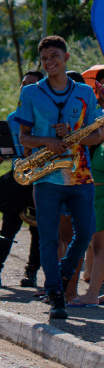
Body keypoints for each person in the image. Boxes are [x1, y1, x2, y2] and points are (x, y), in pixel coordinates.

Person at [15, 35, 104, 319]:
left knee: (86, 232)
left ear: (66, 57)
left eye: (54, 56)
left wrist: (74, 136)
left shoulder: (84, 92)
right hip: (47, 177)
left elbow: (97, 135)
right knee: (49, 239)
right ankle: (56, 296)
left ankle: (63, 275)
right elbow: (24, 139)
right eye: (44, 58)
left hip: (80, 174)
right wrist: (47, 141)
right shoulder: (31, 93)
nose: (49, 62)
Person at [0, 71, 45, 287]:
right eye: (23, 83)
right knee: (8, 227)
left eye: (31, 84)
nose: (25, 87)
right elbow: (10, 149)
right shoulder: (13, 118)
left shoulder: (44, 115)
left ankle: (30, 273)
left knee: (36, 228)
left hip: (38, 177)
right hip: (18, 178)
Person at [72, 78, 104, 305]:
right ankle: (94, 292)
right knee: (97, 244)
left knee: (100, 246)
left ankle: (91, 295)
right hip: (97, 194)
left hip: (102, 196)